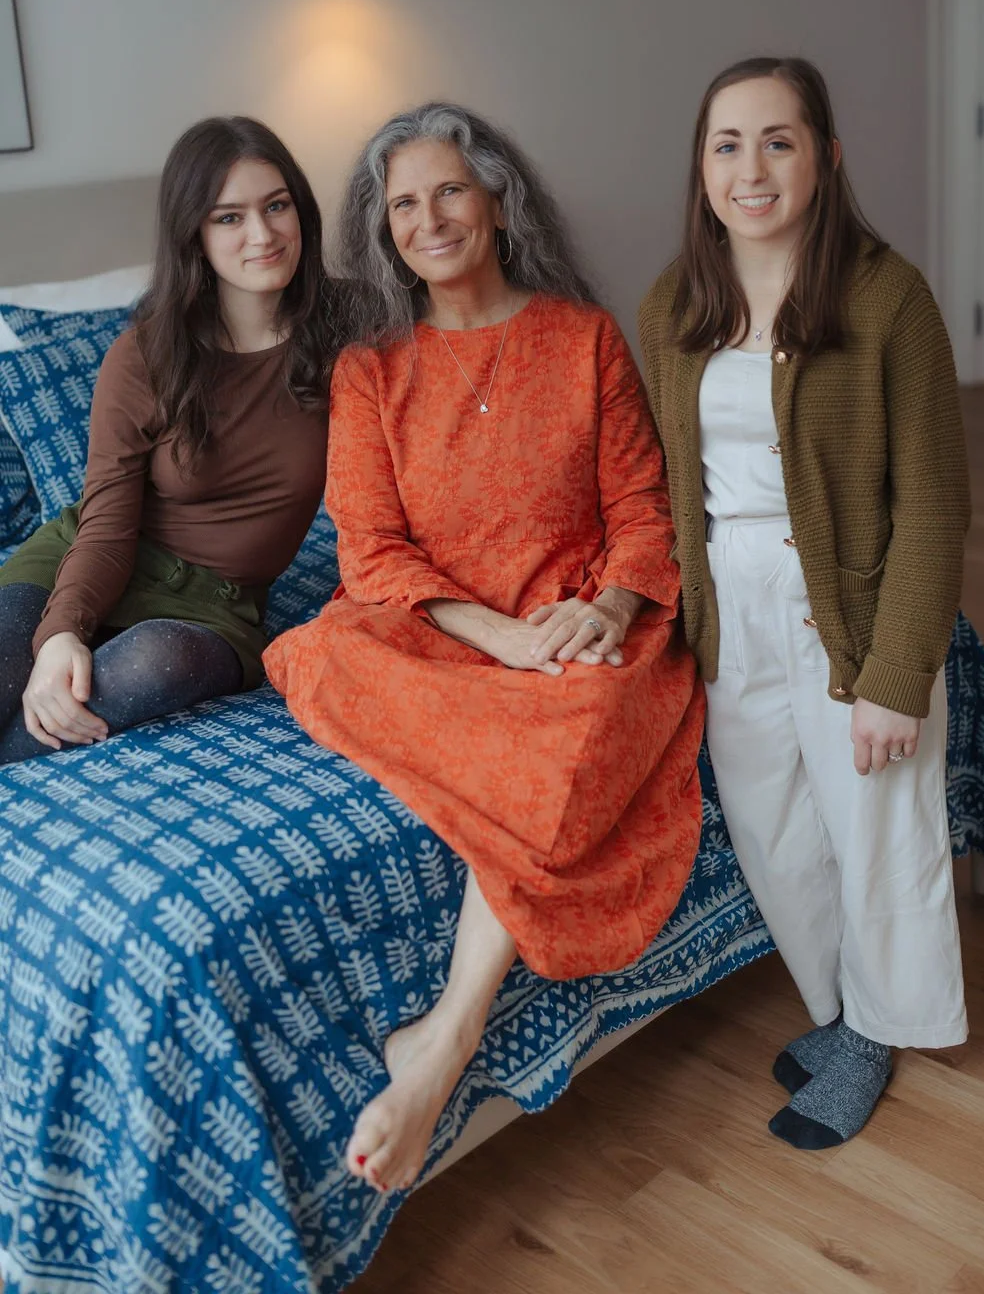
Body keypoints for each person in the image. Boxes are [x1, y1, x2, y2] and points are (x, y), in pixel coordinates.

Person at [264, 101, 706, 1195]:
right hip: (439, 633)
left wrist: (603, 613)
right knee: (326, 649)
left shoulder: (585, 337)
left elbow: (645, 513)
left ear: (498, 200)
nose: (430, 218)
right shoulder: (370, 371)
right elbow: (370, 553)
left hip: (567, 628)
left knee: (591, 722)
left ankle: (444, 1039)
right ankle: (449, 1034)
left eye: (449, 190)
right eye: (404, 204)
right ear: (385, 232)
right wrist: (493, 636)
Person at [638, 55, 970, 1150]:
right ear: (700, 166)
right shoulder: (672, 304)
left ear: (825, 157)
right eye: (727, 144)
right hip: (728, 605)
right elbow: (664, 485)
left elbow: (931, 501)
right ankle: (839, 1012)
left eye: (778, 140)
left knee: (876, 826)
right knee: (776, 828)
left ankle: (877, 1034)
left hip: (851, 600)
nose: (751, 168)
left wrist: (896, 674)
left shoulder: (886, 298)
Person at [0, 115, 344, 764]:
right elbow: (104, 524)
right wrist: (60, 636)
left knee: (156, 662)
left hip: (217, 606)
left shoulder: (348, 333)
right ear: (194, 235)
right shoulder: (145, 356)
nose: (263, 234)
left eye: (277, 206)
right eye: (229, 218)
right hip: (88, 555)